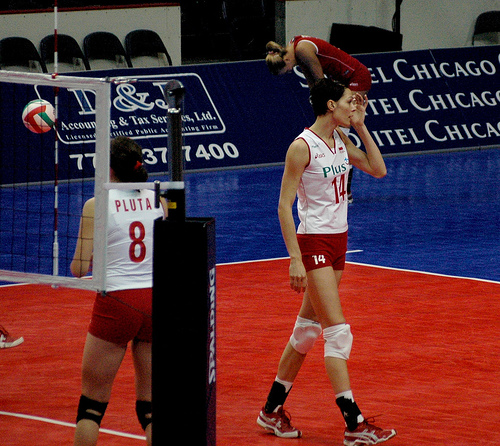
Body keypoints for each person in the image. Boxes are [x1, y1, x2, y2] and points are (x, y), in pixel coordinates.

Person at [256, 78, 396, 446]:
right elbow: (284, 205)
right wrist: (295, 259)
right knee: (338, 332)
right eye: (350, 102)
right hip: (314, 242)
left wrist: (361, 126)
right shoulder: (302, 147)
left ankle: (270, 410)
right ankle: (354, 424)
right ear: (331, 105)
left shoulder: (341, 140)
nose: (355, 106)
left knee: (306, 331)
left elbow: (378, 169)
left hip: (338, 242)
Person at [71, 136, 167, 446]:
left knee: (92, 404)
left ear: (109, 169)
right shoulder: (159, 199)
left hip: (117, 301)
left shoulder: (96, 205)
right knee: (150, 407)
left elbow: (78, 268)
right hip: (155, 301)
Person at [266, 35, 373, 203]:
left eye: (287, 69)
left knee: (339, 131)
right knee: (334, 127)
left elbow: (321, 83)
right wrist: (315, 100)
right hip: (343, 80)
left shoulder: (302, 49)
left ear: (286, 60)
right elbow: (312, 81)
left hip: (356, 77)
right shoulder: (294, 49)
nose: (290, 71)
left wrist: (320, 104)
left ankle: (345, 188)